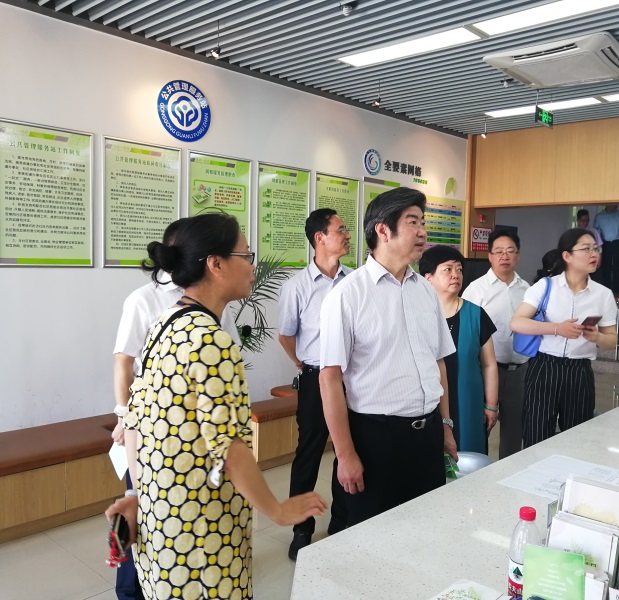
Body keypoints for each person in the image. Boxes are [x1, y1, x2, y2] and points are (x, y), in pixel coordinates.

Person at [106, 213, 326, 600]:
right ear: (216, 264)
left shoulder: (165, 325)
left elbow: (137, 423)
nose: (253, 266)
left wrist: (141, 494)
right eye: (246, 255)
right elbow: (229, 448)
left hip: (161, 522)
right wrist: (278, 510)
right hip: (202, 531)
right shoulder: (211, 340)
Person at [110, 220, 240, 600]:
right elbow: (124, 362)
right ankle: (131, 591)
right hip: (153, 429)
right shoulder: (144, 301)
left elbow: (224, 357)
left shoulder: (213, 301)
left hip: (198, 433)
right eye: (244, 255)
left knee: (183, 519)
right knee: (143, 510)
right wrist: (124, 416)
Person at [318, 187, 456, 527]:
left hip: (427, 434)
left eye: (423, 222)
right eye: (413, 222)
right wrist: (345, 454)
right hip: (376, 438)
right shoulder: (347, 295)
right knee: (373, 536)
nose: (423, 232)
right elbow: (329, 378)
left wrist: (446, 426)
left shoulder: (425, 291)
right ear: (383, 229)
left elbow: (438, 362)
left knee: (426, 528)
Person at [277, 208, 351, 560]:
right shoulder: (297, 286)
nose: (347, 235)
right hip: (316, 378)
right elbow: (286, 334)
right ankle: (301, 528)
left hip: (352, 378)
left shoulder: (355, 281)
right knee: (309, 453)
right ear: (320, 238)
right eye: (341, 230)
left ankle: (341, 521)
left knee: (348, 450)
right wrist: (302, 363)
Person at [511, 228, 618, 447]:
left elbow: (612, 339)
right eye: (586, 249)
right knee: (536, 433)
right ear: (567, 256)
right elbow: (517, 322)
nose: (594, 254)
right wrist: (557, 329)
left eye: (596, 249)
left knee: (577, 438)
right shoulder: (546, 286)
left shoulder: (603, 294)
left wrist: (597, 337)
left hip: (579, 371)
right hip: (544, 367)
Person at [420, 245, 499, 454]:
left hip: (468, 400)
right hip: (429, 404)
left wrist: (491, 404)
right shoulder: (418, 315)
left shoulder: (476, 314)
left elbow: (489, 364)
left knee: (470, 455)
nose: (456, 275)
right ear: (428, 278)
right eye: (448, 269)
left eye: (459, 270)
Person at [462, 230, 530, 459]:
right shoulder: (476, 289)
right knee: (481, 427)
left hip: (519, 371)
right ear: (490, 256)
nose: (504, 256)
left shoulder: (527, 289)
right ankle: (476, 471)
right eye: (499, 252)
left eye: (510, 251)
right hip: (485, 371)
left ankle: (507, 474)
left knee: (514, 433)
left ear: (518, 255)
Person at [593, 204, 619, 296]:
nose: (616, 205)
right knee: (606, 267)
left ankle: (616, 290)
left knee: (617, 266)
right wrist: (596, 247)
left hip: (617, 242)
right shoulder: (599, 216)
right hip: (605, 243)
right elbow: (595, 232)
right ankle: (606, 289)